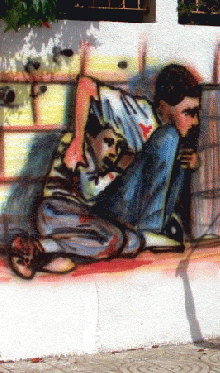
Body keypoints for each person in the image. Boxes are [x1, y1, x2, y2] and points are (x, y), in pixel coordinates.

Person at [8, 64, 201, 279]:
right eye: (189, 113)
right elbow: (85, 84)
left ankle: (47, 249)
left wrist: (186, 166)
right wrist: (79, 141)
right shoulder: (138, 114)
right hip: (98, 209)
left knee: (179, 156)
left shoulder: (171, 143)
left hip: (111, 218)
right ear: (163, 105)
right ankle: (147, 237)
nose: (195, 121)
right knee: (169, 137)